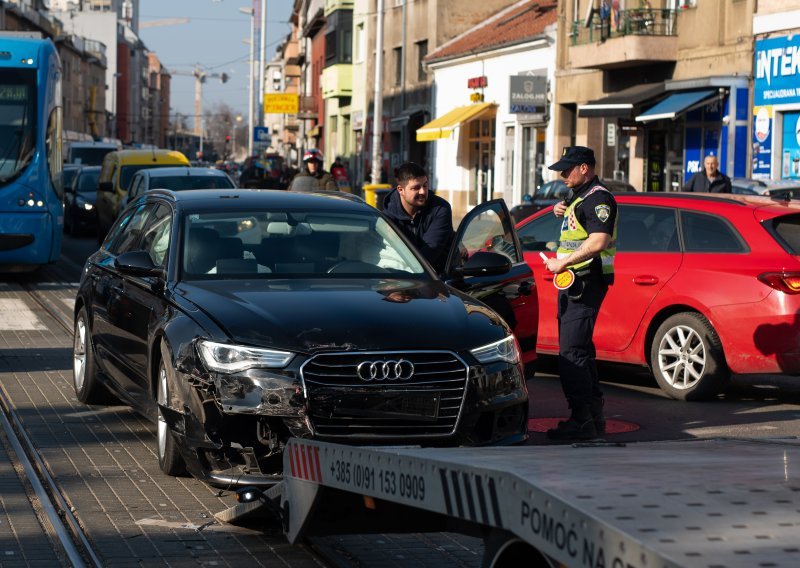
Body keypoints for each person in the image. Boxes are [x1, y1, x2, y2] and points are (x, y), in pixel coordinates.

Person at [542, 146, 618, 441]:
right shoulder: (580, 196)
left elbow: (599, 240)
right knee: (581, 351)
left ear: (585, 168)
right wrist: (559, 209)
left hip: (585, 282)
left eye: (567, 169)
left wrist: (562, 261)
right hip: (574, 282)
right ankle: (593, 418)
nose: (561, 175)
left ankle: (581, 420)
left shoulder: (599, 198)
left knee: (571, 352)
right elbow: (578, 227)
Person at [382, 161, 454, 273]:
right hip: (400, 279)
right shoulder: (388, 216)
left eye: (425, 185)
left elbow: (431, 250)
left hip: (439, 278)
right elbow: (390, 254)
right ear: (401, 190)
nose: (423, 191)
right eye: (416, 188)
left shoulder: (441, 208)